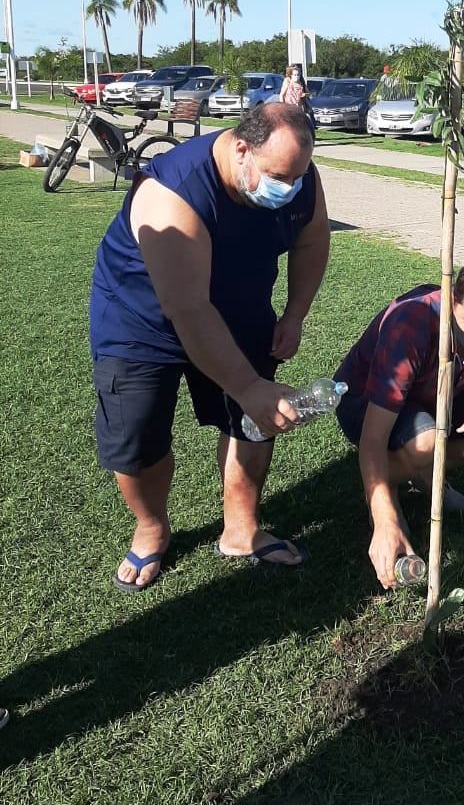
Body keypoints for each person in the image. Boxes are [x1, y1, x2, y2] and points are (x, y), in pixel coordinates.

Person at [90, 103, 331, 591]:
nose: (288, 189)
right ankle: (151, 527)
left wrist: (295, 312)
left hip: (240, 307)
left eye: (298, 177)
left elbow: (312, 239)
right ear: (241, 148)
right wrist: (247, 384)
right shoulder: (172, 194)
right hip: (143, 319)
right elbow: (190, 311)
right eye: (278, 177)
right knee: (136, 439)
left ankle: (241, 529)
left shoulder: (298, 177)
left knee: (251, 423)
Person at [334, 256, 464, 589]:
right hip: (365, 402)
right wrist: (383, 520)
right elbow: (373, 436)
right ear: (453, 300)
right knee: (427, 441)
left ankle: (425, 470)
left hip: (443, 394)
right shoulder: (410, 324)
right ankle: (385, 489)